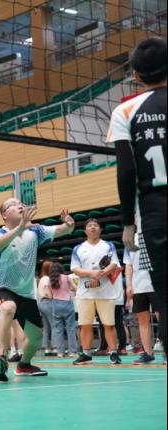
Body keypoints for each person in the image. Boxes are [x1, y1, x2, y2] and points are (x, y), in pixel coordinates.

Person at [108, 36, 166, 355]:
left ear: (135, 75)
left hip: (155, 211)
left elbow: (126, 171)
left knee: (164, 300)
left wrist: (127, 222)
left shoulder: (125, 111)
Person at [0, 198, 74, 382]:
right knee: (8, 307)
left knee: (36, 337)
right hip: (1, 287)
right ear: (4, 215)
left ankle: (24, 365)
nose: (20, 205)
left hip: (26, 293)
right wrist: (19, 229)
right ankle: (1, 359)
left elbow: (63, 230)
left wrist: (69, 224)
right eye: (13, 204)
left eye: (20, 203)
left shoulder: (35, 231)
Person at [71, 219, 122, 365]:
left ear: (100, 229)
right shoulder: (78, 248)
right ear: (85, 230)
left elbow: (114, 264)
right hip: (84, 293)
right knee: (85, 324)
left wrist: (100, 274)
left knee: (109, 324)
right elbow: (75, 268)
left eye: (95, 225)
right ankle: (86, 354)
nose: (92, 227)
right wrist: (91, 274)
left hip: (106, 292)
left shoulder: (108, 245)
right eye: (89, 225)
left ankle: (113, 352)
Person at [124, 233, 157, 364]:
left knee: (162, 317)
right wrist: (129, 285)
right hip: (138, 285)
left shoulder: (157, 232)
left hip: (157, 283)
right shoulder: (130, 239)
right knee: (142, 320)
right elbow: (128, 265)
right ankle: (148, 353)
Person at [47, 262, 79, 357]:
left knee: (58, 330)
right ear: (61, 269)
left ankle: (60, 352)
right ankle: (72, 352)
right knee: (71, 329)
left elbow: (50, 296)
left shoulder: (50, 280)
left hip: (55, 304)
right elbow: (75, 288)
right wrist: (70, 290)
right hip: (67, 303)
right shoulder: (66, 277)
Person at [36, 260, 57, 356]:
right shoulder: (46, 278)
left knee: (46, 327)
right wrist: (51, 296)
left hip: (41, 303)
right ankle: (55, 347)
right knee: (54, 325)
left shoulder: (41, 278)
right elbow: (46, 288)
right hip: (47, 302)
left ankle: (46, 348)